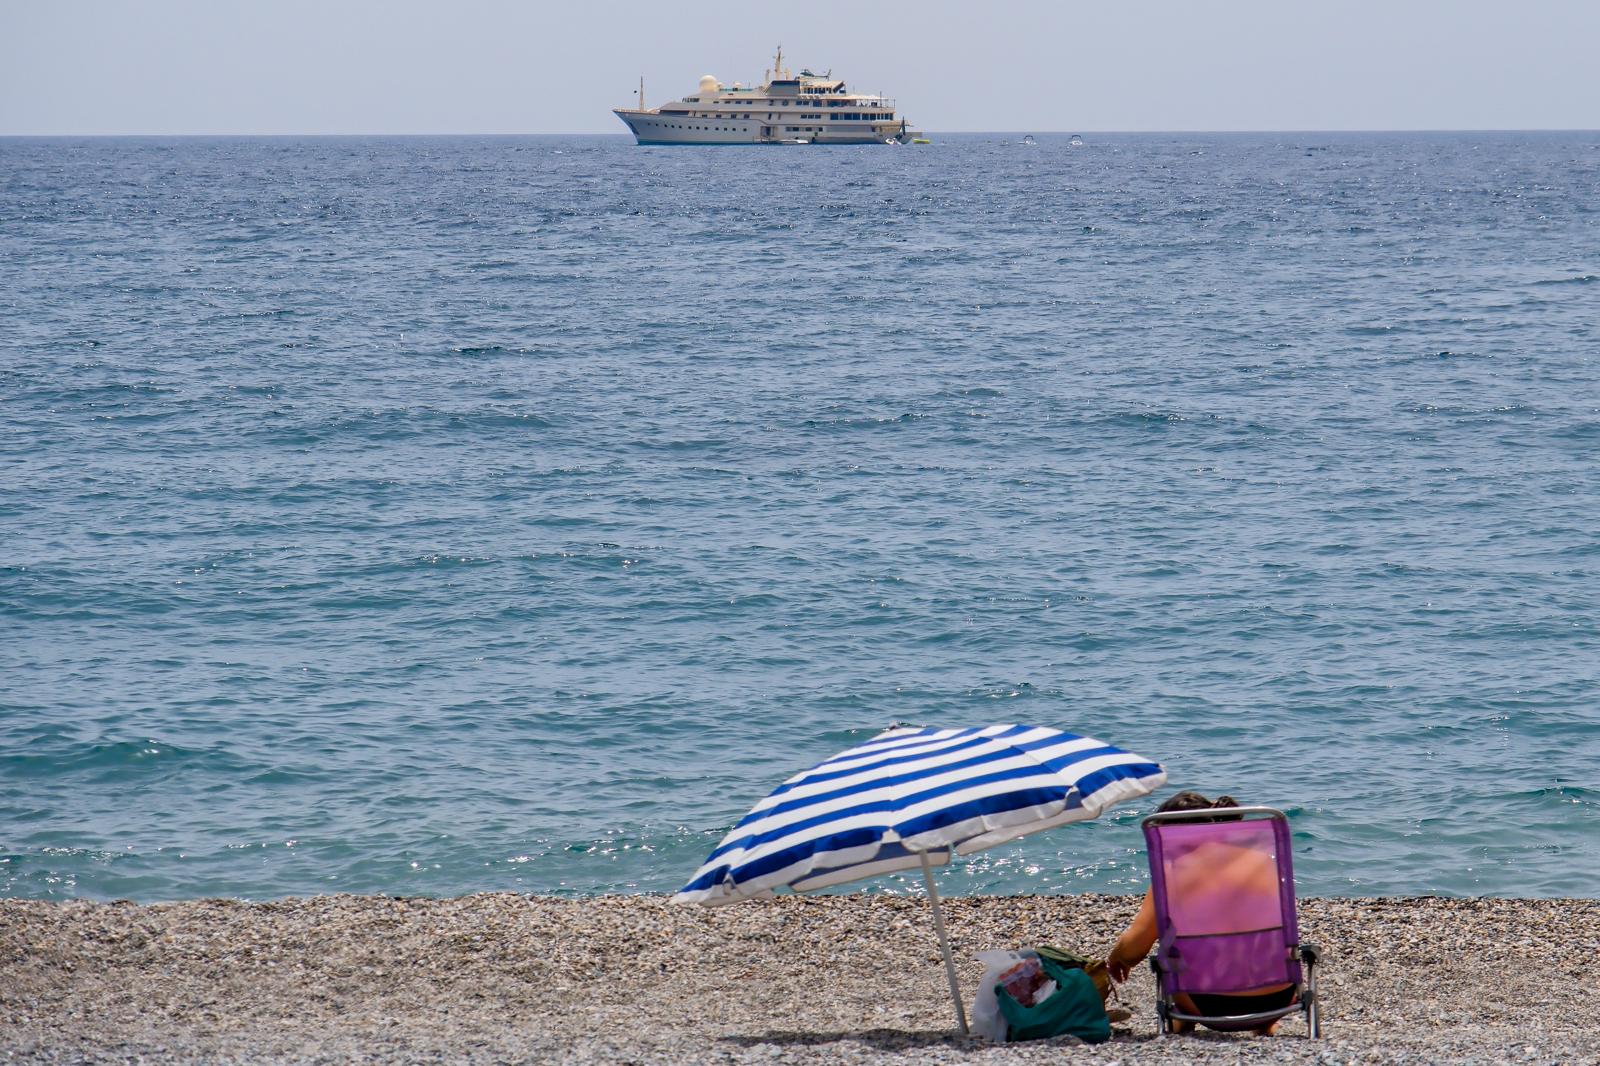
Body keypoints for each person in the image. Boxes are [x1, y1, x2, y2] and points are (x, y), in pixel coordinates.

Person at [1105, 791, 1297, 1035]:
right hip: (1280, 997)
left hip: (1207, 1006)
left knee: (1174, 946)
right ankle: (1263, 1023)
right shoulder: (1264, 863)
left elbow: (1134, 948)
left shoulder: (1171, 876)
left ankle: (1184, 1021)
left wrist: (1116, 957)